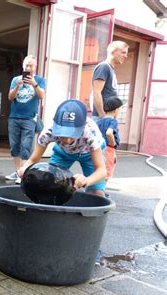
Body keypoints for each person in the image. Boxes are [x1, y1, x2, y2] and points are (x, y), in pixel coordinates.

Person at [18, 99, 107, 197]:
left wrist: (86, 180)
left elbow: (101, 170)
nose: (67, 140)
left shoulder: (90, 133)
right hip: (63, 153)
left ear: (82, 127)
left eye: (72, 135)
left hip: (89, 154)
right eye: (62, 135)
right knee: (50, 183)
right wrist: (25, 168)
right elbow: (33, 160)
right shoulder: (48, 132)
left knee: (96, 194)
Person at [6, 55, 46, 183]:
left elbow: (42, 95)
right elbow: (10, 98)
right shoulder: (16, 80)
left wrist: (34, 84)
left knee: (26, 145)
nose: (28, 68)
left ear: (35, 67)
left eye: (31, 65)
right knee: (14, 146)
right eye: (26, 65)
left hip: (29, 118)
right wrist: (17, 87)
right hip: (14, 117)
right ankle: (18, 172)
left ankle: (23, 173)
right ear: (23, 66)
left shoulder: (39, 80)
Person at [92, 41, 129, 117]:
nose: (126, 56)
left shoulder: (110, 69)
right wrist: (103, 117)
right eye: (123, 52)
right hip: (102, 119)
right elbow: (96, 92)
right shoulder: (104, 67)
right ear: (112, 52)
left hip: (109, 118)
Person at [95, 96, 123, 181]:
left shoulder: (99, 121)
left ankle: (95, 190)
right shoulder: (113, 121)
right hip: (108, 149)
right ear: (116, 110)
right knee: (107, 172)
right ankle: (102, 191)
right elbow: (109, 132)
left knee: (98, 170)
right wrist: (113, 143)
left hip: (98, 149)